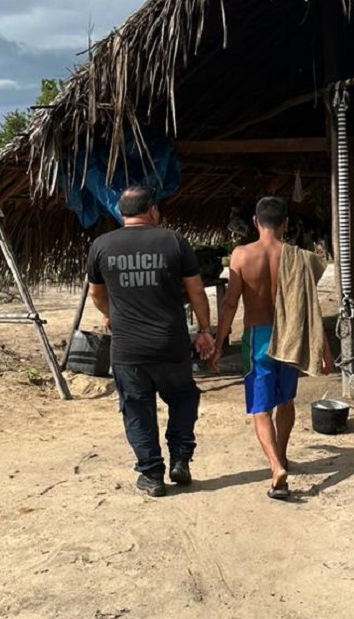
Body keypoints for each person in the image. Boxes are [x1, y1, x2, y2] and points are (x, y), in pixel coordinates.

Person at [87, 185, 215, 497]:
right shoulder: (174, 241)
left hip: (128, 349)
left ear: (121, 213)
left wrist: (111, 315)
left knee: (137, 409)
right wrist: (204, 331)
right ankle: (180, 458)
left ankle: (152, 475)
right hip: (171, 344)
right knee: (183, 397)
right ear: (153, 210)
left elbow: (96, 293)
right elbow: (197, 291)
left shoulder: (102, 245)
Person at [208, 196, 333, 500]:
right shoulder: (298, 257)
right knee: (286, 401)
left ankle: (276, 467)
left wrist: (218, 345)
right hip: (290, 336)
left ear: (255, 222)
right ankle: (283, 455)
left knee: (261, 409)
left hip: (258, 338)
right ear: (285, 224)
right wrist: (325, 351)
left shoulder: (241, 255)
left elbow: (229, 304)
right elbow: (310, 308)